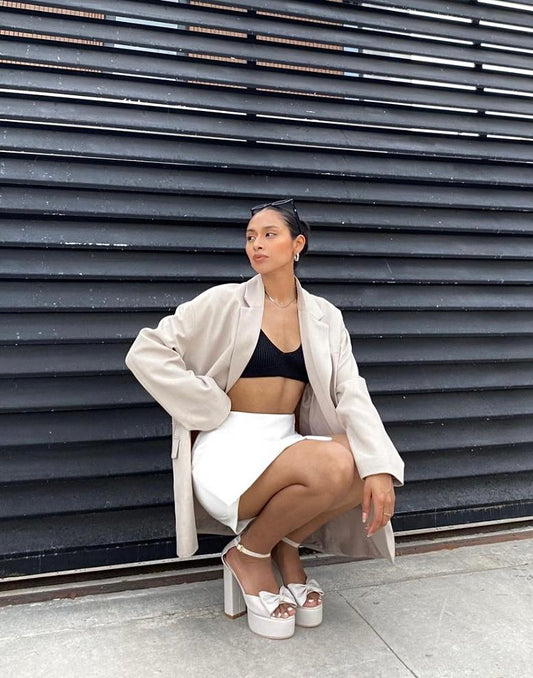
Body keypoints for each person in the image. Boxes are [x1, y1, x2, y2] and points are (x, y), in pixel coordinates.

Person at [125, 198, 404, 640]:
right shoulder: (224, 301)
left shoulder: (325, 316)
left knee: (365, 461)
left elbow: (351, 390)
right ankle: (249, 554)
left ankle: (285, 546)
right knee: (337, 462)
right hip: (229, 451)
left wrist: (380, 467)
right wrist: (207, 404)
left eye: (269, 235)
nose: (256, 244)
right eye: (250, 236)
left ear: (297, 245)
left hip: (283, 444)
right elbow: (145, 351)